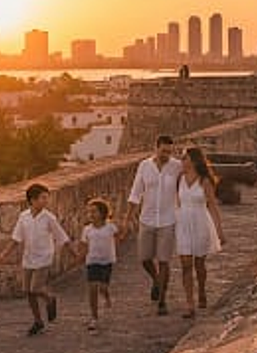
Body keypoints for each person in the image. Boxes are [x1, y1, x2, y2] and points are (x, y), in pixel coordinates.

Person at [124, 133, 183, 315]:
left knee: (164, 260)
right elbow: (135, 194)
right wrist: (128, 219)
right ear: (155, 148)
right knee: (145, 258)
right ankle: (157, 281)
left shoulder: (177, 167)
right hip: (147, 219)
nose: (166, 154)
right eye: (163, 151)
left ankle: (162, 301)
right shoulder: (144, 166)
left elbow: (184, 190)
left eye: (169, 152)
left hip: (168, 219)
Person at [12, 182, 71, 336]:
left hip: (44, 257)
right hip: (28, 257)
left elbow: (61, 236)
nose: (46, 201)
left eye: (47, 198)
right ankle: (38, 321)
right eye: (43, 198)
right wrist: (5, 254)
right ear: (32, 200)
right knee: (28, 292)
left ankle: (50, 298)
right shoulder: (23, 216)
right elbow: (17, 238)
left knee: (35, 288)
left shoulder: (49, 217)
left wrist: (74, 254)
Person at [175, 145, 224, 318]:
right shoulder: (180, 178)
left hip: (200, 221)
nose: (182, 161)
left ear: (194, 160)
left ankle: (202, 290)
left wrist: (219, 230)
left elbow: (212, 205)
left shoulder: (204, 180)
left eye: (185, 158)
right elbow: (177, 202)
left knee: (199, 264)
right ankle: (190, 304)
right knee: (186, 265)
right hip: (184, 223)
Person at [78, 197, 125, 331]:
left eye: (94, 212)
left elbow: (118, 236)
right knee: (92, 288)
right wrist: (79, 257)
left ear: (102, 213)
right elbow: (83, 245)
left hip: (107, 261)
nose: (91, 215)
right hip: (92, 261)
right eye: (89, 212)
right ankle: (94, 317)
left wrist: (116, 247)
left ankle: (106, 295)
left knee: (102, 287)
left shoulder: (110, 226)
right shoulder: (87, 230)